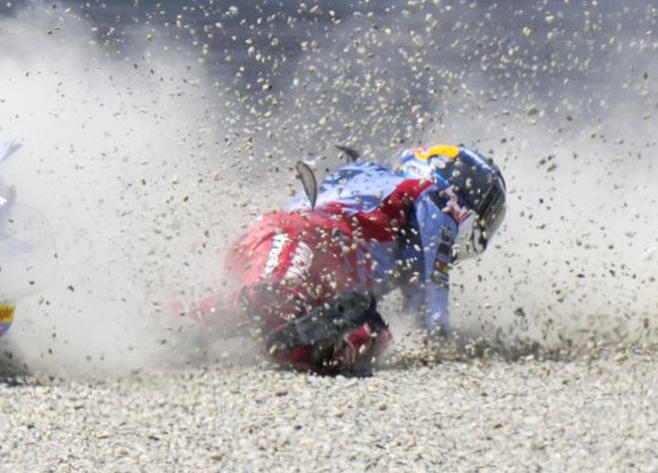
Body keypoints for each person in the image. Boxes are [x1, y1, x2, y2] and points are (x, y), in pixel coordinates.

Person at [183, 144, 507, 374]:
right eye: (488, 209)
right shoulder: (436, 195)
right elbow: (429, 308)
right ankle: (178, 324)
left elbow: (412, 301)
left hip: (298, 250)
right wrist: (446, 343)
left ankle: (291, 342)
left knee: (367, 329)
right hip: (302, 237)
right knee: (279, 297)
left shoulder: (373, 180)